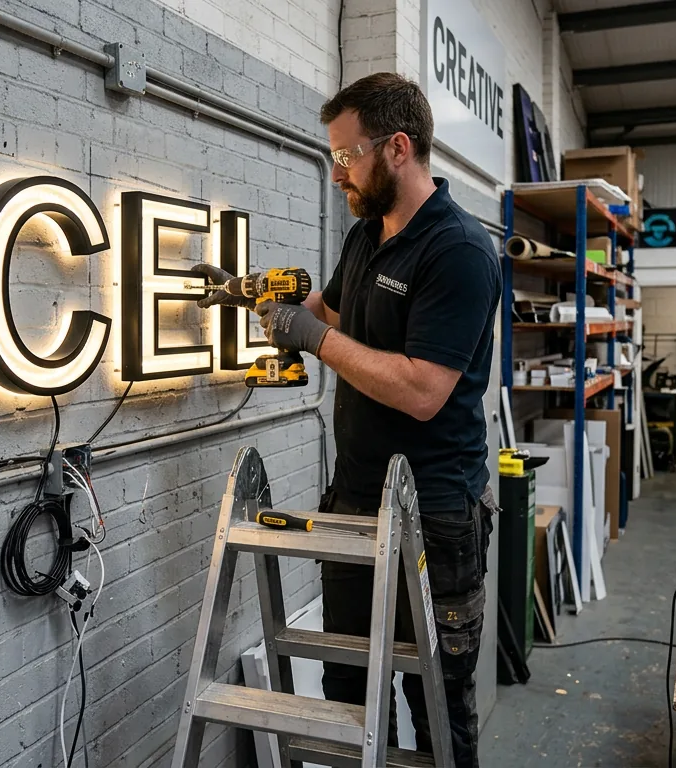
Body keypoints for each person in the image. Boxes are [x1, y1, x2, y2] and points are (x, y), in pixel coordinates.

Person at [194, 72, 500, 767]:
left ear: (397, 148)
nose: (336, 173)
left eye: (345, 155)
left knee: (437, 708)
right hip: (356, 501)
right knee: (348, 693)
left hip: (434, 515)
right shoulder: (367, 235)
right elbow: (329, 312)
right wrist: (254, 296)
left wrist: (313, 338)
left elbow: (423, 389)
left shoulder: (458, 250)